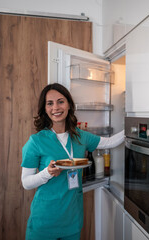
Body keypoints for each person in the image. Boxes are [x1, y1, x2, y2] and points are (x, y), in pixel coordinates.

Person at [21, 83, 124, 240]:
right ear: (44, 109)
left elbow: (110, 142)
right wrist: (46, 173)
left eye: (61, 101)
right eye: (50, 103)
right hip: (44, 221)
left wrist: (132, 126)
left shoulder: (80, 136)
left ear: (69, 104)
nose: (56, 107)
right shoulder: (36, 142)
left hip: (72, 220)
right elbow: (26, 183)